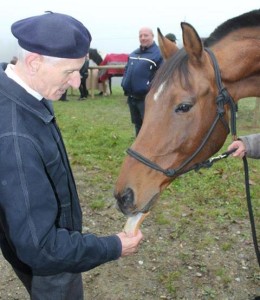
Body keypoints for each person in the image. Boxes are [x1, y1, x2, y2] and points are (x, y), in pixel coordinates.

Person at [0, 12, 143, 300]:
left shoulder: (26, 92)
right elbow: (41, 248)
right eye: (69, 72)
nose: (77, 84)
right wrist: (113, 246)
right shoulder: (16, 138)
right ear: (34, 62)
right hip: (50, 269)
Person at [121, 27, 163, 136]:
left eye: (146, 35)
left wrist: (149, 88)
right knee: (137, 124)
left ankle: (151, 149)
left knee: (149, 125)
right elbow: (127, 69)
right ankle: (138, 148)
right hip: (132, 97)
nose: (143, 38)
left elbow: (162, 76)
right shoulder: (134, 54)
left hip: (146, 99)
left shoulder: (158, 54)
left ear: (152, 36)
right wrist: (124, 82)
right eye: (141, 36)